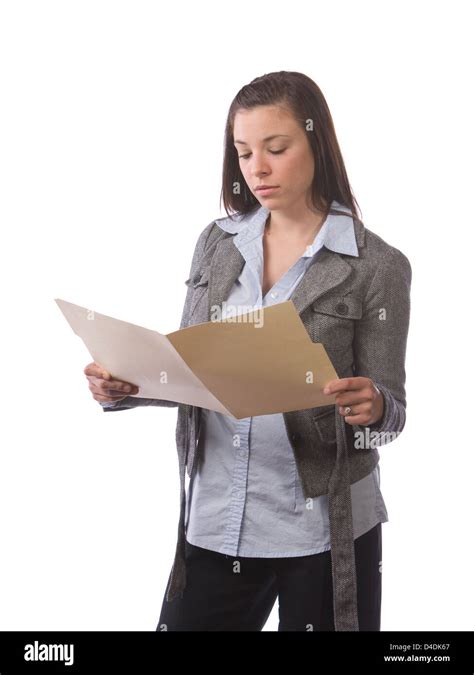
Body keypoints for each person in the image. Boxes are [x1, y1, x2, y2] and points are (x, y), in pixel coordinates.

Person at [84, 71, 411, 631]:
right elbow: (196, 371)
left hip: (321, 528)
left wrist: (373, 408)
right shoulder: (216, 244)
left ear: (318, 144)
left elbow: (391, 416)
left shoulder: (376, 266)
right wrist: (128, 386)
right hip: (217, 517)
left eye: (276, 149)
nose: (256, 168)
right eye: (242, 153)